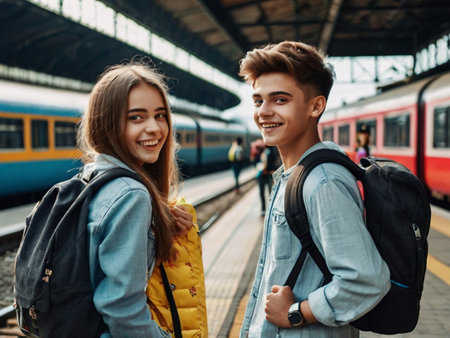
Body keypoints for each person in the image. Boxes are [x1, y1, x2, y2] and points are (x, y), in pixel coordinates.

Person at [238, 41, 390, 337]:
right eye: (258, 101)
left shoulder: (323, 182)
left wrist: (296, 313)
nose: (264, 112)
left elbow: (367, 280)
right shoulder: (292, 176)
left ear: (316, 106)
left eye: (279, 100)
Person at [77, 62, 195, 337]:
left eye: (160, 115)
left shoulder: (91, 177)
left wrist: (161, 227)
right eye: (136, 118)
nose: (155, 128)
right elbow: (122, 310)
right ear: (106, 123)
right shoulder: (132, 195)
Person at [257, 145, 279, 216]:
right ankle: (263, 209)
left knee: (270, 193)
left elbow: (274, 162)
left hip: (269, 174)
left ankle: (270, 209)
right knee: (262, 193)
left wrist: (268, 170)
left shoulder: (273, 150)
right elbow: (255, 162)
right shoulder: (259, 151)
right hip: (261, 175)